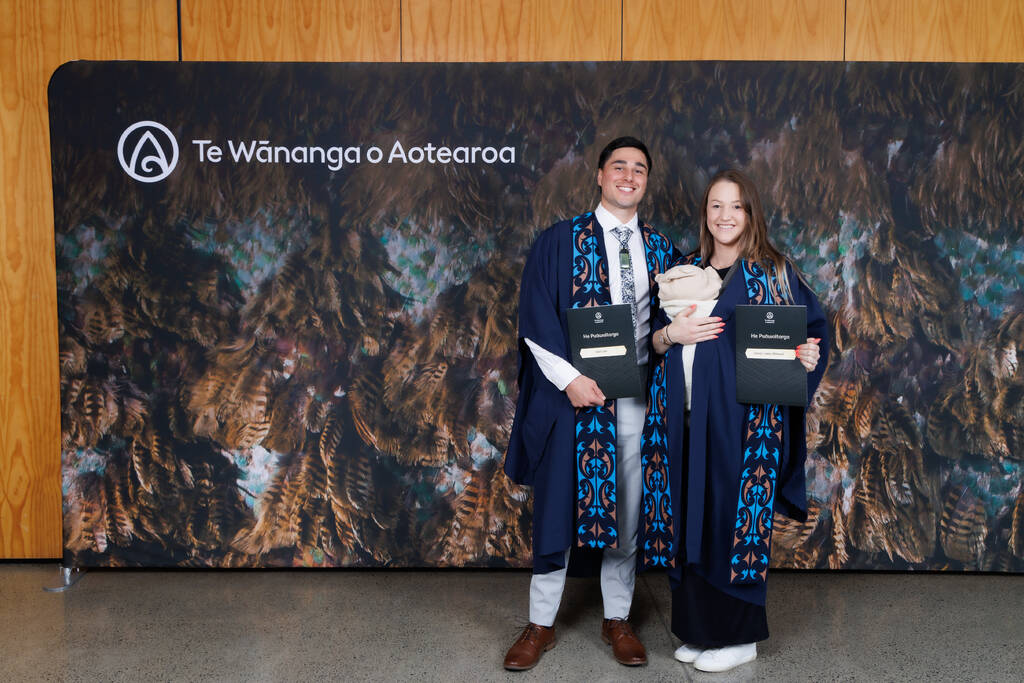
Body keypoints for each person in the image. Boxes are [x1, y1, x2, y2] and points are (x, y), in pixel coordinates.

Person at [502, 137, 680, 671]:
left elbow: (675, 326)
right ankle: (540, 624)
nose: (629, 176)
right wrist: (569, 379)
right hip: (573, 402)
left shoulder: (665, 250)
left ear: (647, 180)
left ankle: (618, 617)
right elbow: (536, 318)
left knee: (627, 510)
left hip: (637, 401)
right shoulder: (559, 241)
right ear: (600, 175)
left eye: (639, 169)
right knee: (557, 508)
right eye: (619, 166)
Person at [651, 169, 828, 673]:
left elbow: (810, 333)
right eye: (715, 205)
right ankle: (700, 631)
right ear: (705, 213)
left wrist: (806, 358)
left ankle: (740, 637)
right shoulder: (683, 269)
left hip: (745, 425)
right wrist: (671, 336)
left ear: (751, 214)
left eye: (737, 206)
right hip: (682, 421)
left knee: (731, 522)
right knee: (691, 522)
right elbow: (653, 342)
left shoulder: (772, 272)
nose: (725, 216)